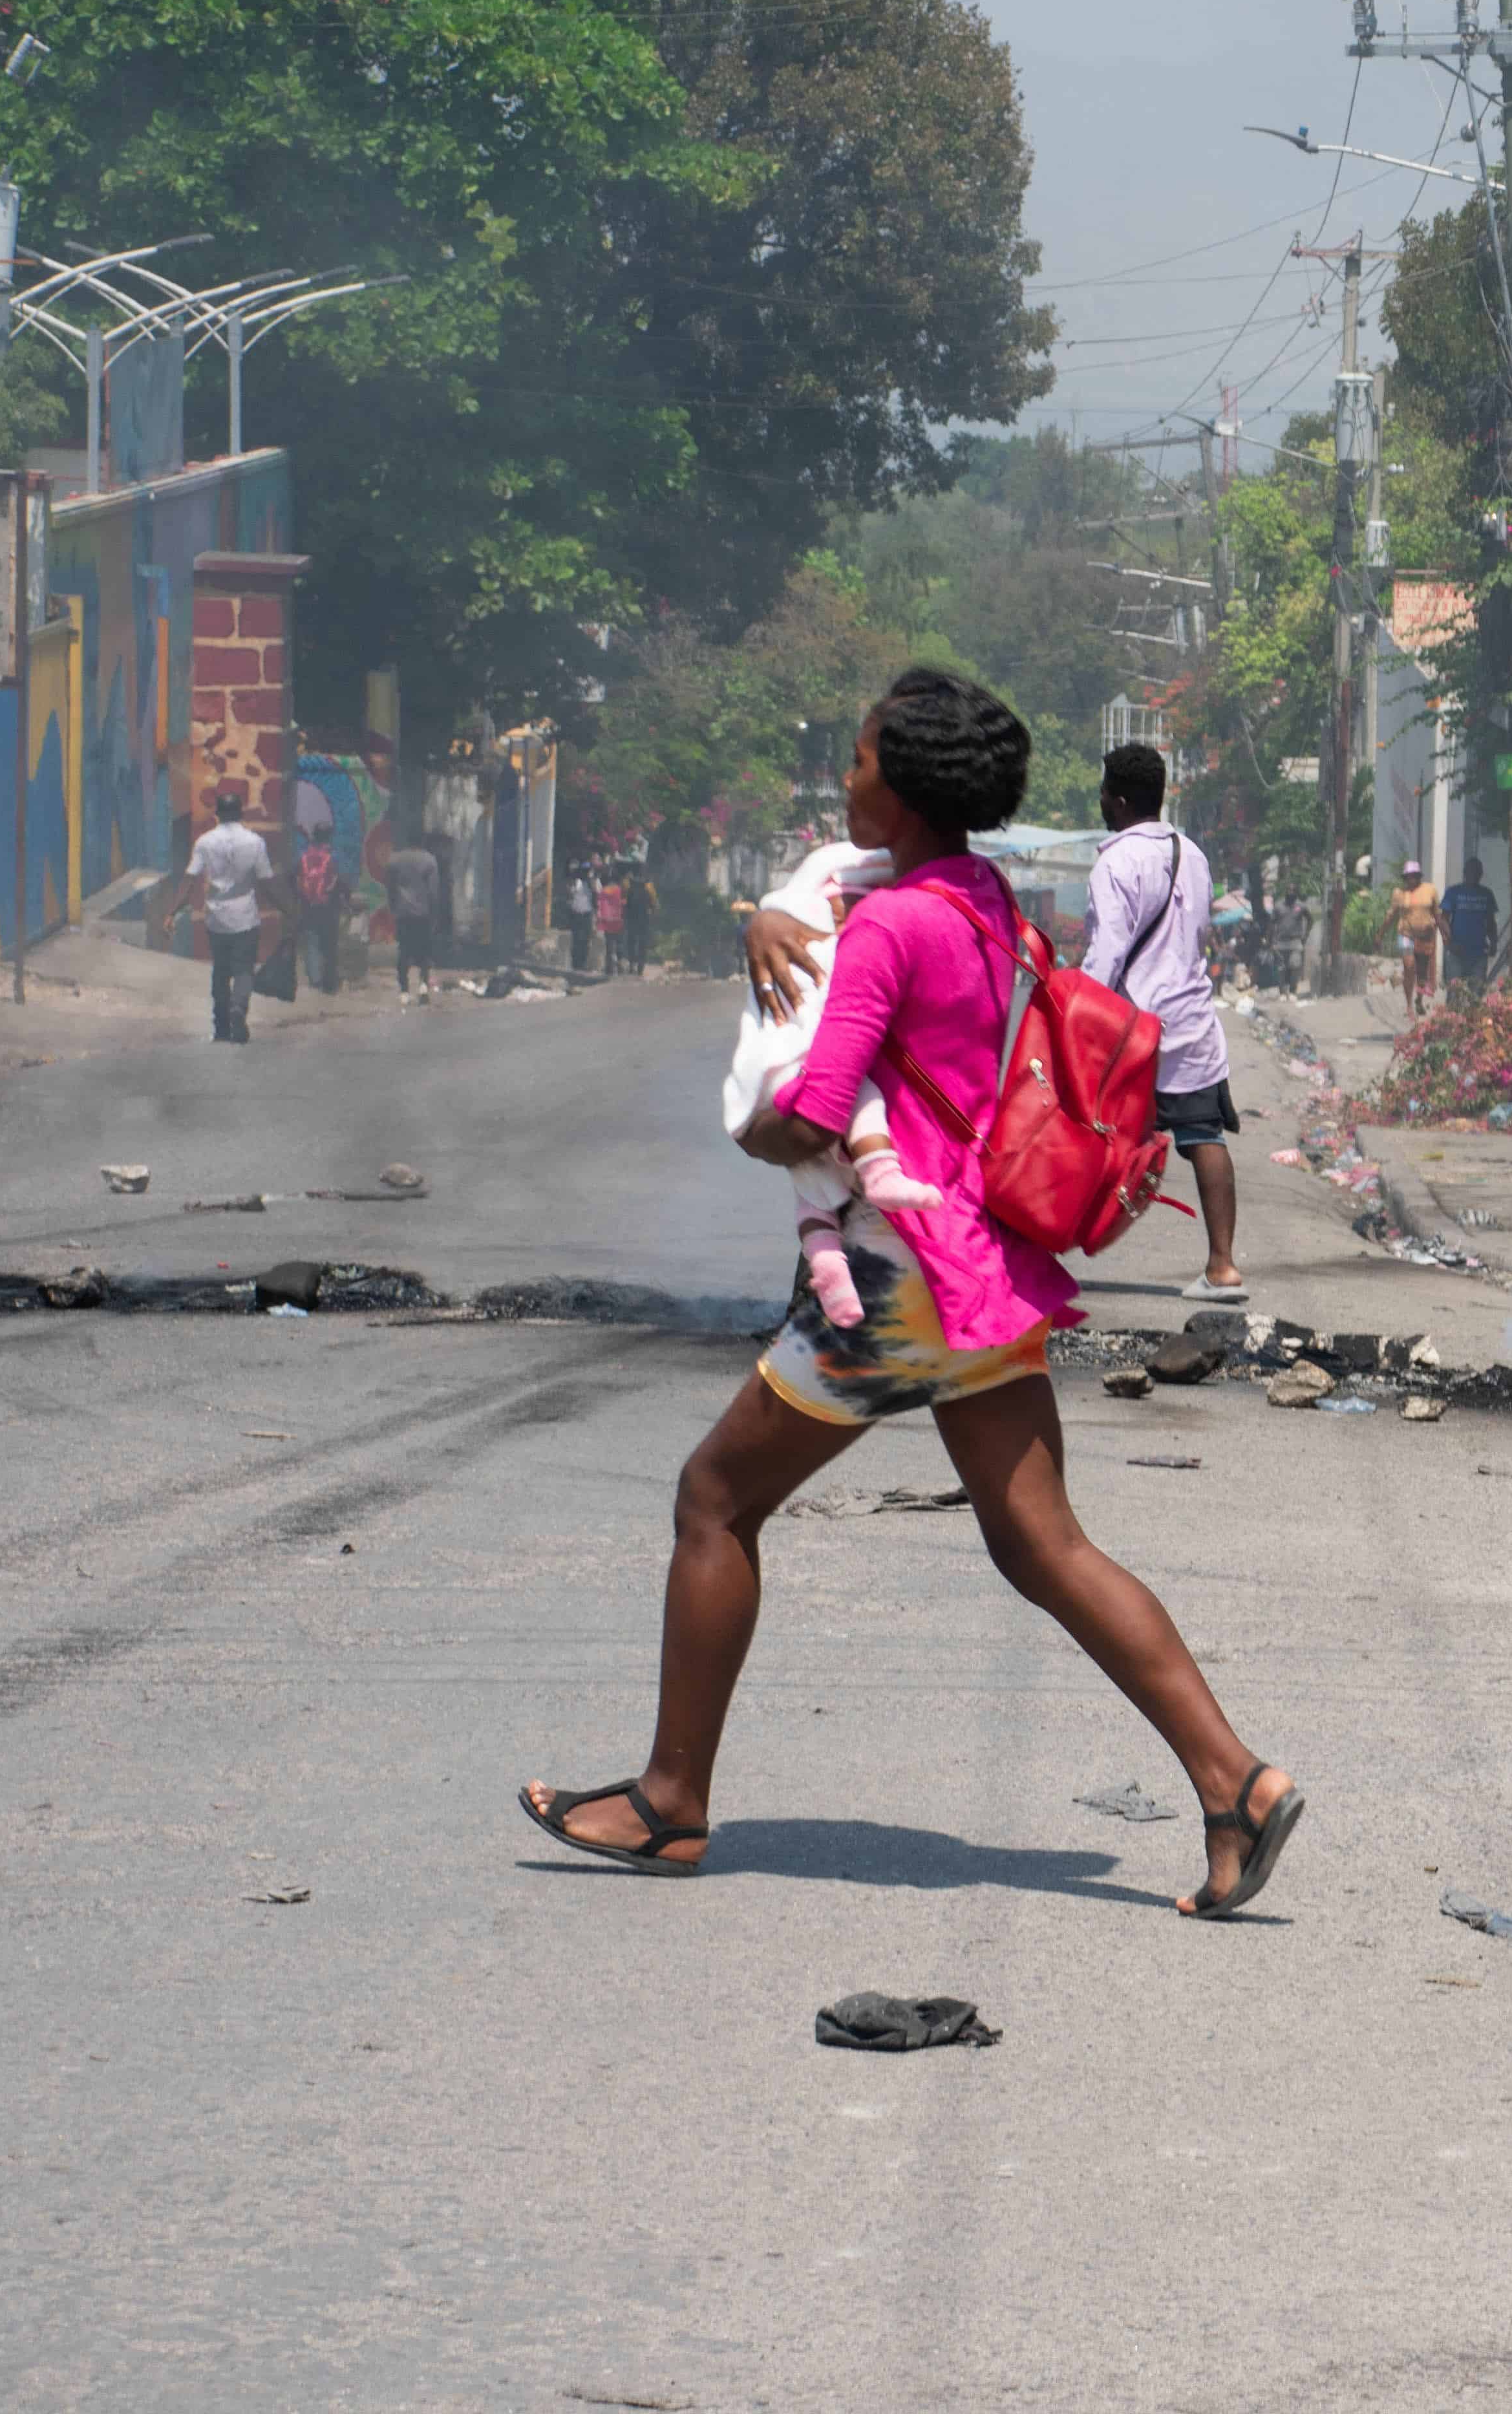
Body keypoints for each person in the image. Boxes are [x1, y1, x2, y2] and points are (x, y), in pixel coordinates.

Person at [520, 668, 1302, 1916]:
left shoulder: (889, 928)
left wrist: (757, 1125)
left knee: (713, 1502)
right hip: (979, 1263)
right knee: (1043, 1544)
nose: (845, 778)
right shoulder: (978, 899)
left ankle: (671, 1802)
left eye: (859, 760)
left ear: (907, 781)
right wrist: (755, 921)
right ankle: (1235, 1782)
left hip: (894, 1281)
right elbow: (823, 899)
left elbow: (821, 1106)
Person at [720, 838, 944, 1329]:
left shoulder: (906, 919)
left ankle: (823, 1303)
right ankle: (820, 1295)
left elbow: (815, 1121)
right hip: (881, 1155)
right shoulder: (841, 934)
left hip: (902, 1181)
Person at [1087, 743, 1248, 1303]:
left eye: (1106, 791)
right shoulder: (1194, 855)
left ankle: (1045, 1245)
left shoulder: (1114, 862)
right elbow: (1200, 930)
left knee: (1086, 1129)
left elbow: (1108, 949)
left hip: (1132, 1030)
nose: (1102, 799)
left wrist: (1081, 1007)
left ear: (1121, 800)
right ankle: (1223, 1266)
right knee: (1204, 1136)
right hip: (1192, 1022)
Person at [175, 790, 273, 1045]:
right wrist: (288, 909)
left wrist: (172, 911)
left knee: (220, 971)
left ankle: (221, 1028)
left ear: (217, 814)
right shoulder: (255, 842)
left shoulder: (205, 842)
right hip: (246, 917)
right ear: (240, 814)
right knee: (244, 969)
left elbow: (190, 878)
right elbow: (268, 883)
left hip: (217, 918)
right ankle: (239, 1007)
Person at [1438, 855, 1500, 1002]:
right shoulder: (1453, 892)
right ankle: (1452, 1023)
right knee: (1455, 994)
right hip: (1457, 953)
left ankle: (1472, 1024)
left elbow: (1491, 922)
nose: (1474, 875)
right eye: (1471, 871)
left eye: (1477, 872)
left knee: (1476, 996)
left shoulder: (1487, 894)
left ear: (1481, 874)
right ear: (1465, 873)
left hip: (1478, 954)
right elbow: (1444, 920)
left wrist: (1494, 944)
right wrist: (1449, 943)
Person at [385, 837, 444, 995]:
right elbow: (433, 892)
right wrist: (435, 914)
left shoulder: (395, 861)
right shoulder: (429, 861)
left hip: (403, 913)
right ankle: (423, 985)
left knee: (403, 950)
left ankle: (404, 989)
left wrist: (393, 907)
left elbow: (390, 888)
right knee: (424, 951)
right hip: (423, 913)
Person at [1389, 857, 1441, 1018]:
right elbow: (1391, 915)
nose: (1412, 879)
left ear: (1419, 876)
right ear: (1405, 878)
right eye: (1409, 876)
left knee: (1422, 971)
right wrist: (1380, 934)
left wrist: (1444, 933)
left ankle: (1419, 999)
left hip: (1425, 936)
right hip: (1406, 934)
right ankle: (1409, 1005)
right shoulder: (1399, 894)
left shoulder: (1430, 890)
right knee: (1409, 966)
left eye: (1415, 876)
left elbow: (1437, 913)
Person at [293, 828, 343, 994]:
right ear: (328, 837)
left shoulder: (304, 856)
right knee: (329, 943)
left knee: (312, 941)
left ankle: (315, 979)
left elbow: (295, 878)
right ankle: (329, 982)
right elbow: (338, 881)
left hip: (308, 905)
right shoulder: (333, 857)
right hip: (328, 906)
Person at [619, 865, 655, 976]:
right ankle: (641, 966)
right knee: (642, 943)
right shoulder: (649, 885)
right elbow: (653, 902)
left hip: (631, 917)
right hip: (644, 918)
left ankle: (631, 965)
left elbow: (623, 898)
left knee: (631, 941)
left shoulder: (627, 883)